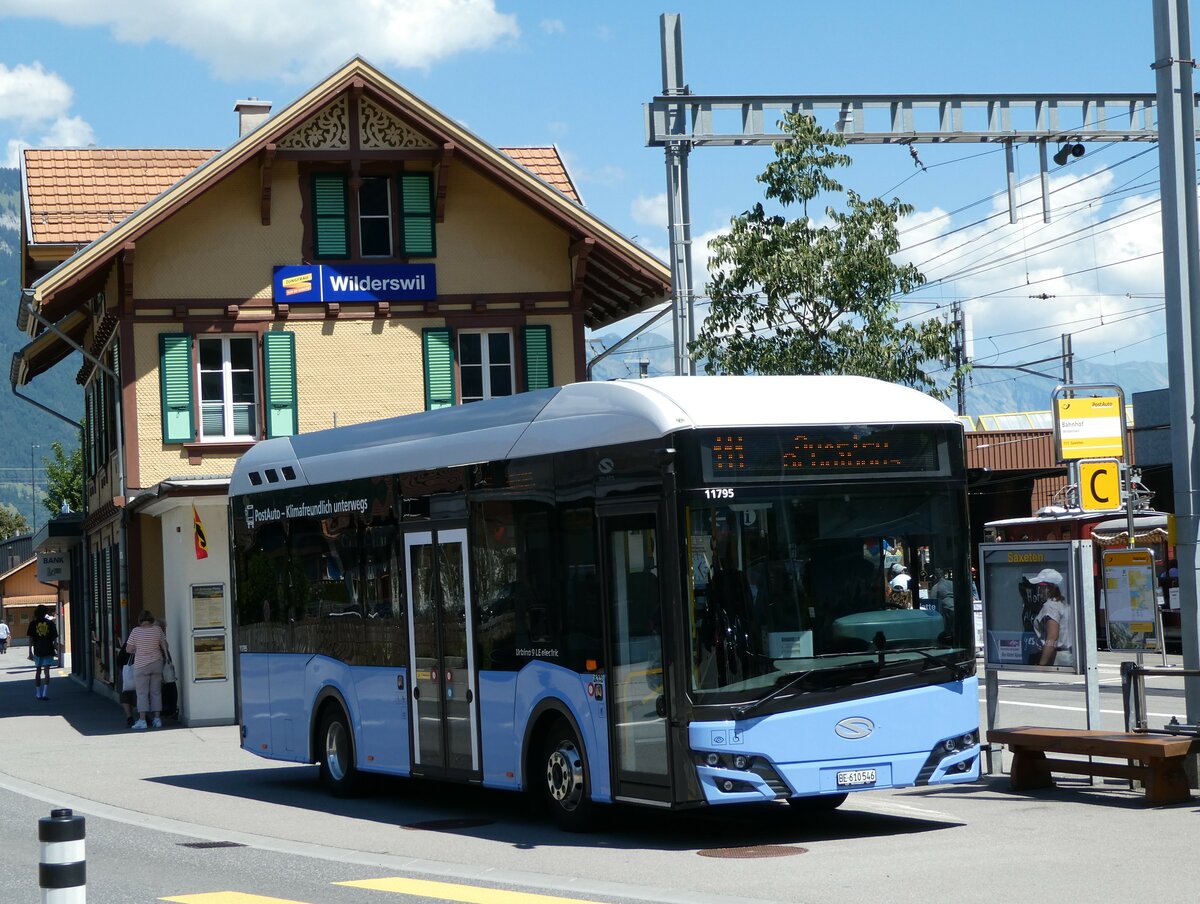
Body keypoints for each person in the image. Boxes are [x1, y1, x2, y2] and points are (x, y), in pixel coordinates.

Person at [125, 609, 170, 730]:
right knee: (156, 692)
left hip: (141, 665)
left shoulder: (136, 631)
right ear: (151, 619)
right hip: (157, 663)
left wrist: (138, 650)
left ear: (140, 620)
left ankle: (142, 720)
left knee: (142, 693)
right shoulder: (158, 630)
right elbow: (165, 644)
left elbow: (128, 649)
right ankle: (157, 719)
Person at [1030, 569, 1073, 667]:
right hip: (1067, 655)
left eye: (1040, 587)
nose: (1038, 590)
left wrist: (1041, 666)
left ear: (1048, 588)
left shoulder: (1050, 606)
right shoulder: (1063, 604)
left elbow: (1052, 638)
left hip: (1055, 658)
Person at [27, 605, 59, 700]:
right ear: (45, 612)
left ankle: (38, 693)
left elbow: (31, 639)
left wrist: (30, 651)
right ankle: (45, 693)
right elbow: (54, 639)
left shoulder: (33, 623)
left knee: (38, 671)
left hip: (38, 650)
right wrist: (56, 649)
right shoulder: (50, 623)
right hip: (48, 649)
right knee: (47, 671)